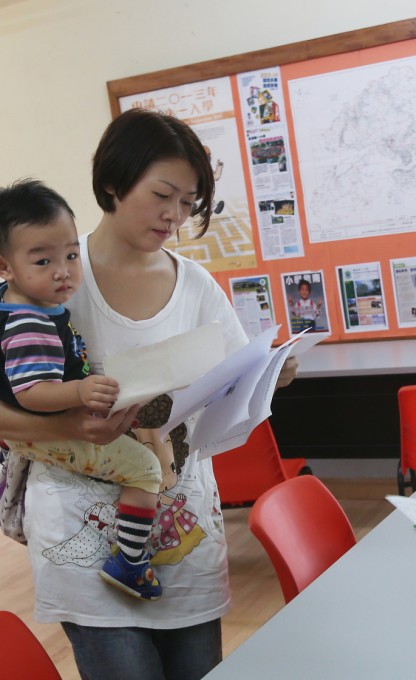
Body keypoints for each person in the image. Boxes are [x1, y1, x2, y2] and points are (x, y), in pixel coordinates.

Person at [7, 108, 298, 680]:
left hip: (185, 535)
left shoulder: (196, 285)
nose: (175, 216)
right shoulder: (48, 275)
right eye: (163, 195)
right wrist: (68, 426)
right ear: (114, 183)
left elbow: (231, 384)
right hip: (80, 537)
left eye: (189, 202)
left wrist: (268, 374)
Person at [0, 179, 177, 602]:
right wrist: (79, 392)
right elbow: (31, 393)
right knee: (145, 469)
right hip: (45, 431)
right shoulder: (30, 323)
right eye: (43, 261)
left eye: (71, 255)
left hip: (38, 427)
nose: (63, 270)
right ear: (5, 266)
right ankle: (130, 561)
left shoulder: (16, 299)